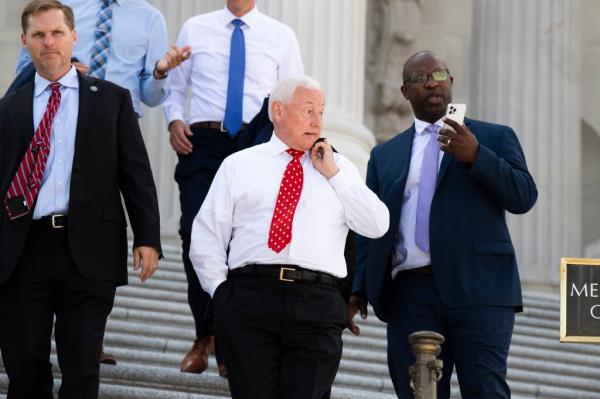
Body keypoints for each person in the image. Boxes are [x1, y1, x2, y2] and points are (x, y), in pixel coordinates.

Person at [348, 50, 538, 398]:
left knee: (485, 390)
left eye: (439, 75)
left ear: (451, 82)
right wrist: (358, 285)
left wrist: (477, 157)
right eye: (421, 79)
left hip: (480, 291)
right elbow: (369, 225)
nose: (432, 83)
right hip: (411, 294)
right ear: (405, 91)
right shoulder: (384, 155)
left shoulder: (494, 137)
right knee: (418, 391)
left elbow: (523, 196)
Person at [190, 75, 389, 399]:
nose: (317, 121)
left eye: (321, 112)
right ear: (278, 111)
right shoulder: (239, 165)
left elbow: (377, 225)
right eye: (308, 110)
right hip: (249, 299)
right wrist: (221, 292)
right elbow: (207, 234)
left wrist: (335, 175)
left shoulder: (339, 168)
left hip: (317, 304)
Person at [0, 1, 162, 398]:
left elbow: (135, 172)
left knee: (81, 366)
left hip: (88, 249)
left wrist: (148, 237)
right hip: (23, 251)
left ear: (74, 36)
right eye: (38, 35)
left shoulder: (111, 99)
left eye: (57, 33)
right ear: (25, 42)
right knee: (24, 366)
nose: (48, 43)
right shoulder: (10, 107)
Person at [162, 0, 304, 376]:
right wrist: (174, 119)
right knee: (195, 232)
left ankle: (227, 344)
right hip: (202, 143)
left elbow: (294, 100)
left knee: (239, 242)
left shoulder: (281, 36)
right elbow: (176, 90)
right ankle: (201, 336)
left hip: (253, 144)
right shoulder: (195, 27)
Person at [11, 0, 190, 118]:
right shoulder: (60, 7)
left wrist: (160, 73)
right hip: (60, 113)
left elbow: (152, 99)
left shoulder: (151, 18)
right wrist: (58, 71)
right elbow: (25, 69)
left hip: (119, 120)